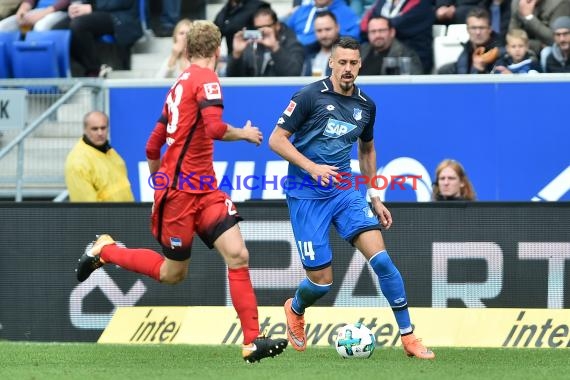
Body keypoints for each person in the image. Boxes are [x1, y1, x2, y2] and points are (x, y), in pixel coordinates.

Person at [75, 20, 288, 363]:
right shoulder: (206, 80)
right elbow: (216, 128)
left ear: (188, 51)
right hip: (181, 195)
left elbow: (151, 146)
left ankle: (252, 340)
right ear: (218, 51)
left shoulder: (178, 85)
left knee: (238, 255)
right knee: (172, 274)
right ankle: (107, 250)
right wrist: (245, 134)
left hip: (203, 189)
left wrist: (160, 182)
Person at [268, 36, 435, 360]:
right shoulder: (308, 97)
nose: (347, 69)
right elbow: (276, 140)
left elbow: (367, 148)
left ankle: (409, 337)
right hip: (306, 195)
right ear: (331, 62)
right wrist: (312, 167)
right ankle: (296, 308)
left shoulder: (366, 106)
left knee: (383, 261)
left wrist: (374, 194)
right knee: (320, 282)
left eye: (353, 63)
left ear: (360, 65)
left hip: (345, 191)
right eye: (341, 62)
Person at [52, 0, 143, 77]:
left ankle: (94, 71)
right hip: (93, 10)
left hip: (118, 14)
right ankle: (69, 75)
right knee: (57, 31)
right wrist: (75, 7)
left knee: (79, 25)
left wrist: (92, 7)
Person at [65, 111, 134, 202]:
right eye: (94, 129)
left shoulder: (110, 152)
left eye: (103, 128)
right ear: (85, 130)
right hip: (106, 215)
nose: (100, 133)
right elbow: (86, 207)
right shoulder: (78, 162)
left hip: (127, 213)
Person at [226, 6, 304, 77]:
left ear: (277, 25)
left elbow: (294, 74)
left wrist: (275, 48)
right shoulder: (250, 45)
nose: (263, 30)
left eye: (267, 26)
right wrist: (236, 55)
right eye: (258, 27)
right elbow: (233, 78)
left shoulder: (292, 43)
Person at [361, 0, 434, 73]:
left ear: (392, 32)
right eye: (373, 31)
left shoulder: (421, 3)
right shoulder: (383, 2)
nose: (377, 35)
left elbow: (400, 24)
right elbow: (363, 26)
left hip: (411, 57)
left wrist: (379, 23)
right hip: (377, 53)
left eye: (382, 30)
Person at [438, 7, 503, 74]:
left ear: (490, 29)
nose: (478, 32)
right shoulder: (467, 48)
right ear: (467, 29)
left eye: (482, 28)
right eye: (473, 28)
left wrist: (481, 71)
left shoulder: (500, 51)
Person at [287, 0, 360, 47]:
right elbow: (285, 32)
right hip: (295, 55)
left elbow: (353, 40)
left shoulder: (346, 13)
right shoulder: (302, 10)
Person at [302, 10, 340, 76]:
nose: (324, 35)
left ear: (337, 28)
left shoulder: (349, 52)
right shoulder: (307, 53)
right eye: (319, 31)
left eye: (328, 29)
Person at [0, 0, 69, 32]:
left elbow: (66, 2)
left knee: (40, 27)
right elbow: (29, 2)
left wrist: (40, 15)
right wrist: (23, 10)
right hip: (36, 10)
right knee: (3, 27)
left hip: (59, 11)